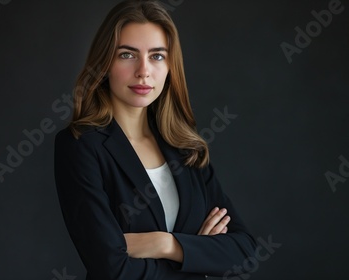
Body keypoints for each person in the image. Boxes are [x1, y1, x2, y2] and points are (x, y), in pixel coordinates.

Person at [54, 0, 257, 279]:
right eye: (127, 55)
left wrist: (165, 244)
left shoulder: (186, 148)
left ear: (170, 66)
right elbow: (111, 268)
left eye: (157, 56)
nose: (143, 71)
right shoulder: (80, 146)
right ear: (105, 63)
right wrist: (200, 254)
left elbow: (244, 253)